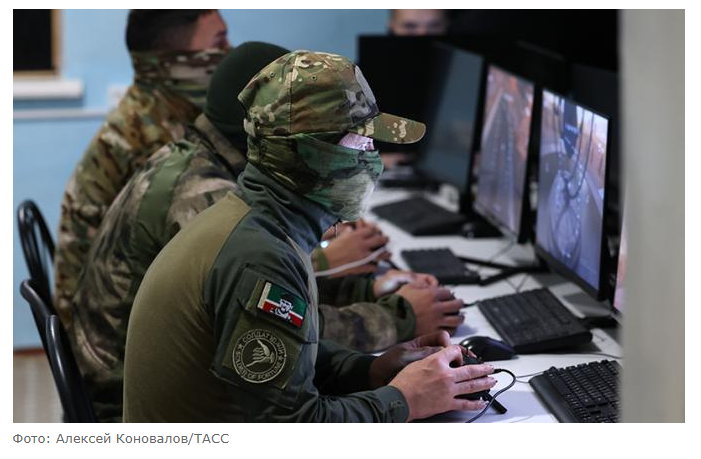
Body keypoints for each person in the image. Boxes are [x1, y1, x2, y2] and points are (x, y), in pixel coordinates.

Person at [72, 43, 463, 422]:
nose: (373, 158)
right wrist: (406, 400)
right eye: (362, 142)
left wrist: (369, 371)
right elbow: (293, 427)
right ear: (315, 154)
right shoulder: (259, 255)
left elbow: (290, 354)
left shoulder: (255, 218)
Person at [53, 10, 230, 327]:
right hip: (109, 329)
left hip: (115, 307)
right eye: (219, 41)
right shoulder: (148, 137)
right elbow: (212, 245)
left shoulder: (162, 114)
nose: (230, 52)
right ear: (173, 60)